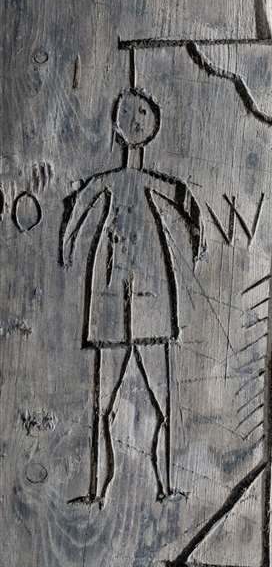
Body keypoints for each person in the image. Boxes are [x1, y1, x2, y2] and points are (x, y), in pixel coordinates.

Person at [60, 88, 203, 503]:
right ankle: (100, 488)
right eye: (130, 114)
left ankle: (162, 485)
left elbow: (184, 202)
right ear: (119, 127)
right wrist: (68, 245)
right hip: (110, 296)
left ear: (152, 126)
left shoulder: (151, 183)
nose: (137, 122)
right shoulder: (110, 182)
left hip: (152, 295)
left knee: (161, 404)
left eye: (143, 114)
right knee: (103, 406)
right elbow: (79, 206)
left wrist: (198, 236)